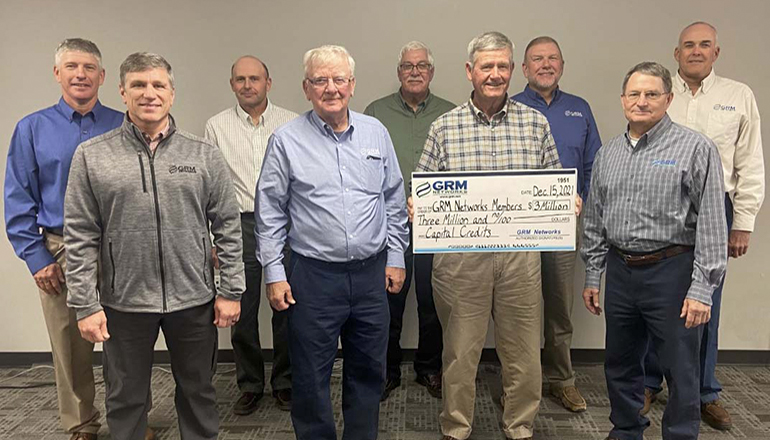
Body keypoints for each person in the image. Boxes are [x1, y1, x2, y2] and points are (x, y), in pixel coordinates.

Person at [65, 52, 245, 440]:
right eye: (139, 85)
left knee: (199, 393)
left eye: (158, 85)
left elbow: (228, 226)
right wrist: (86, 303)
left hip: (193, 300)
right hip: (123, 304)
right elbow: (79, 235)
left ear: (172, 93)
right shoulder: (92, 156)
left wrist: (231, 290)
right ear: (122, 92)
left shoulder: (203, 154)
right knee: (125, 399)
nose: (149, 93)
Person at [255, 45, 408, 440]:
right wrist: (274, 272)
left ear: (352, 85)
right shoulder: (286, 140)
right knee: (310, 375)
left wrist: (396, 257)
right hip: (313, 277)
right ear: (307, 88)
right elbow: (269, 211)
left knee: (368, 372)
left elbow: (393, 199)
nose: (331, 88)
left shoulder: (375, 132)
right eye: (320, 80)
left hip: (372, 275)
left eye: (339, 79)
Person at [415, 31, 562, 440]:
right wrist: (418, 205)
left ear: (513, 71)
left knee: (523, 353)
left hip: (519, 261)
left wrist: (567, 203)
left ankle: (520, 427)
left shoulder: (536, 124)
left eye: (502, 66)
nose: (494, 74)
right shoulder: (444, 127)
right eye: (486, 66)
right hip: (462, 260)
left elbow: (553, 182)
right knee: (460, 353)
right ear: (470, 71)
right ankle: (456, 428)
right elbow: (424, 187)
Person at [581, 61, 728, 440]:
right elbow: (595, 221)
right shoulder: (608, 154)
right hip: (621, 271)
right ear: (622, 100)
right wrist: (593, 274)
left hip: (672, 271)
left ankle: (680, 434)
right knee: (620, 363)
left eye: (651, 94)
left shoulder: (695, 148)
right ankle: (626, 430)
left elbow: (712, 224)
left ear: (668, 98)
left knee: (681, 368)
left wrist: (702, 289)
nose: (642, 101)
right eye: (634, 94)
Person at [3, 38, 129, 440]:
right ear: (57, 73)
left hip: (120, 246)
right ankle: (81, 424)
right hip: (59, 247)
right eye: (72, 67)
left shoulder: (123, 124)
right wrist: (36, 258)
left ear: (103, 77)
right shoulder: (32, 129)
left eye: (89, 67)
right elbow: (17, 197)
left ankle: (129, 420)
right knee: (69, 344)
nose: (80, 74)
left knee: (126, 341)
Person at [642, 22, 765, 431]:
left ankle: (702, 392)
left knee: (705, 301)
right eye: (688, 45)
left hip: (718, 209)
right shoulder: (658, 92)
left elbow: (750, 163)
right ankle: (649, 382)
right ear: (676, 53)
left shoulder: (738, 96)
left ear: (717, 52)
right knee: (656, 298)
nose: (696, 51)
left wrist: (743, 222)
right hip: (659, 210)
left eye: (704, 45)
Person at [513, 35, 602, 412]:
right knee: (517, 307)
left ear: (561, 66)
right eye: (537, 59)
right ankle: (518, 384)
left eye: (552, 59)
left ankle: (561, 380)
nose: (545, 65)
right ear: (524, 68)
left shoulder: (579, 110)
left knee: (559, 307)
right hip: (515, 228)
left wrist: (584, 202)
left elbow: (594, 167)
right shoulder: (510, 107)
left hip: (565, 225)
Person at [204, 55, 297, 414]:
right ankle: (250, 384)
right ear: (232, 85)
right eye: (240, 79)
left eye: (254, 78)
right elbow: (210, 186)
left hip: (285, 225)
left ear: (268, 83)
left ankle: (285, 382)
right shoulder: (216, 126)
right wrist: (212, 235)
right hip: (237, 224)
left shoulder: (291, 122)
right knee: (240, 309)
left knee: (287, 306)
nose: (248, 85)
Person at [363, 40, 454, 401]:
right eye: (407, 66)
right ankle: (386, 370)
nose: (414, 72)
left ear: (431, 72)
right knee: (388, 299)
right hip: (387, 224)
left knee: (433, 301)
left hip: (439, 225)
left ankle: (429, 368)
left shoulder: (451, 113)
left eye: (421, 66)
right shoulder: (375, 112)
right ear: (398, 72)